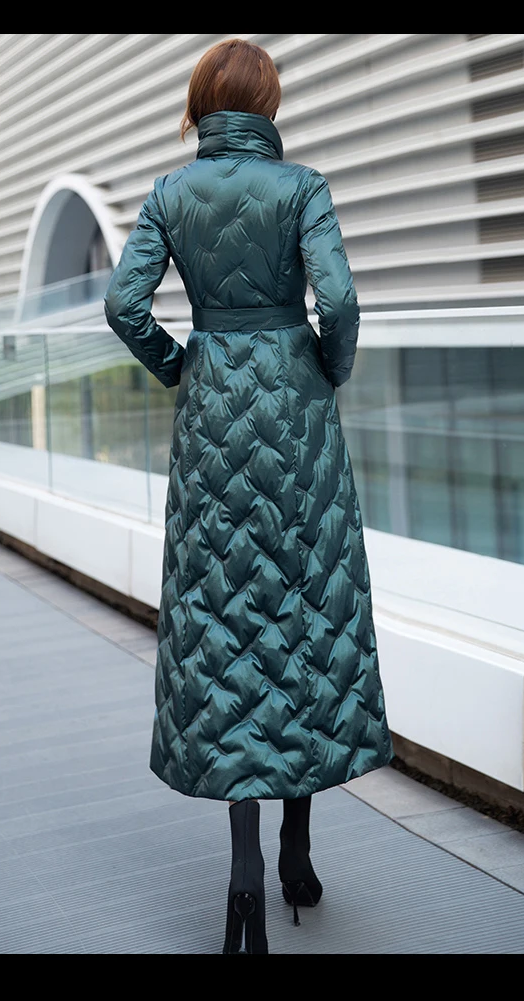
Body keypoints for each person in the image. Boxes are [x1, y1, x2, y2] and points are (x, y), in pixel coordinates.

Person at [104, 38, 393, 955]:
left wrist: (180, 365)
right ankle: (298, 851)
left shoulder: (169, 193)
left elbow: (123, 304)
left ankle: (244, 873)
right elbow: (338, 302)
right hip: (297, 416)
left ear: (199, 107)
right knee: (305, 611)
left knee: (227, 623)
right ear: (268, 104)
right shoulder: (302, 187)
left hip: (212, 418)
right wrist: (324, 369)